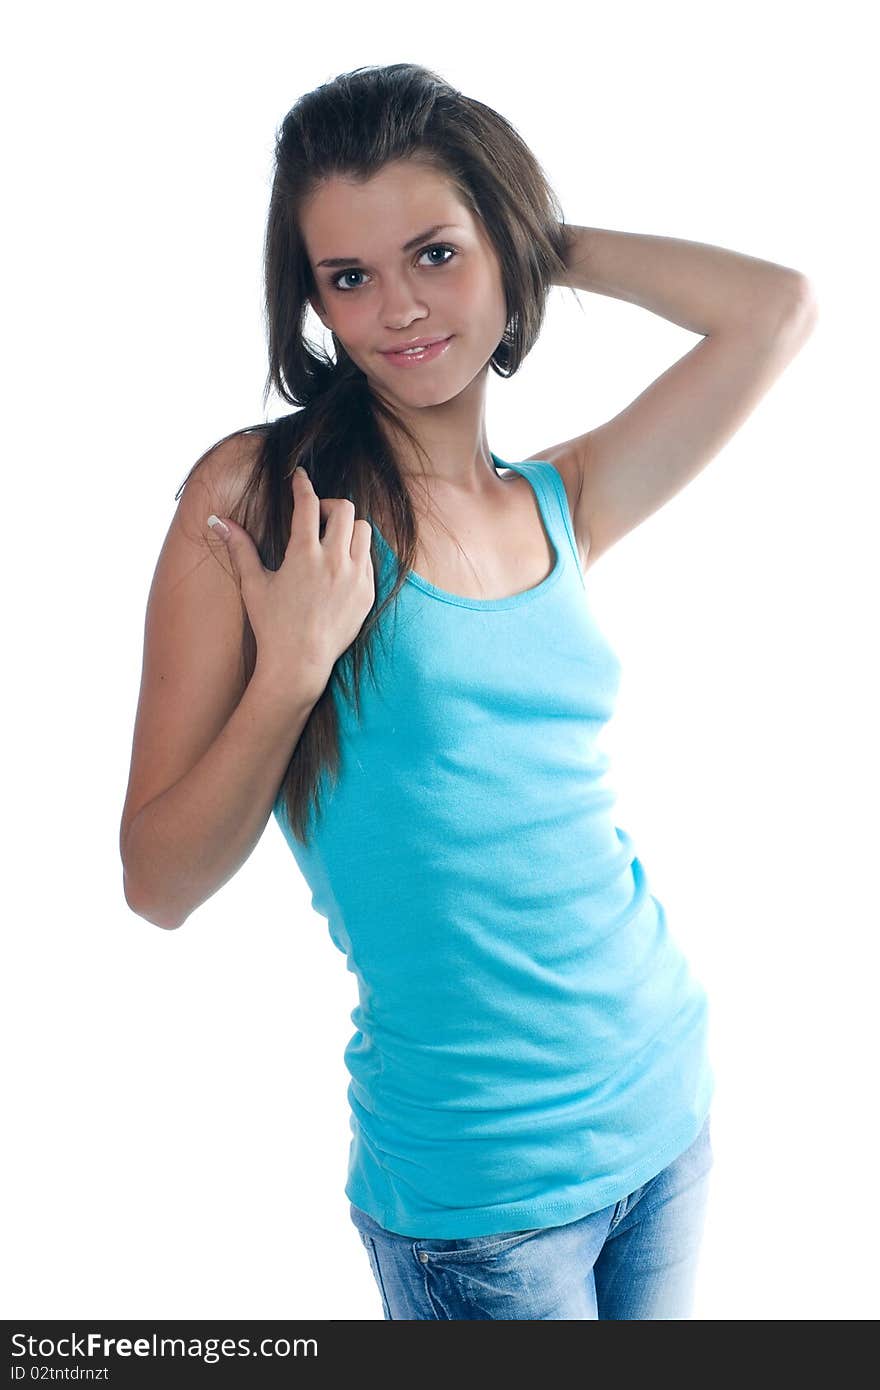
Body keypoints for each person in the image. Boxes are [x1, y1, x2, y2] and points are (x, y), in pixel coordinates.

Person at [119, 63, 816, 1320]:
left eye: (435, 253)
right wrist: (289, 672)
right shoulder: (257, 500)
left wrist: (528, 234)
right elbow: (156, 882)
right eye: (349, 277)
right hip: (481, 1196)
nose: (398, 309)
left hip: (661, 1104)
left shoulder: (561, 498)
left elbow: (776, 310)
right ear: (313, 301)